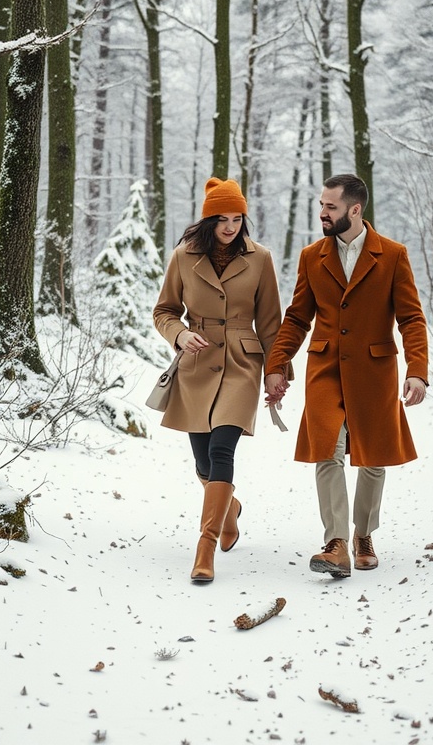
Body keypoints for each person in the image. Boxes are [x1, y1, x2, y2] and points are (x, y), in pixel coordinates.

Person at [265, 174, 428, 578]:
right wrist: (276, 365)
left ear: (355, 210)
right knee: (327, 449)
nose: (322, 212)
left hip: (375, 370)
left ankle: (363, 535)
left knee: (373, 458)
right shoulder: (311, 256)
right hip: (325, 368)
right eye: (321, 205)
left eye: (331, 207)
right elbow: (297, 317)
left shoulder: (392, 255)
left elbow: (411, 318)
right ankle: (336, 542)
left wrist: (418, 371)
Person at [153, 177, 284, 584]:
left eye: (237, 218)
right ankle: (230, 511)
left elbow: (271, 321)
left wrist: (277, 370)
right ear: (209, 219)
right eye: (223, 218)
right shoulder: (183, 256)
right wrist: (180, 333)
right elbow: (164, 311)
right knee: (204, 463)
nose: (231, 226)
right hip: (197, 362)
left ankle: (204, 549)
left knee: (223, 450)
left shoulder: (260, 258)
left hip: (243, 364)